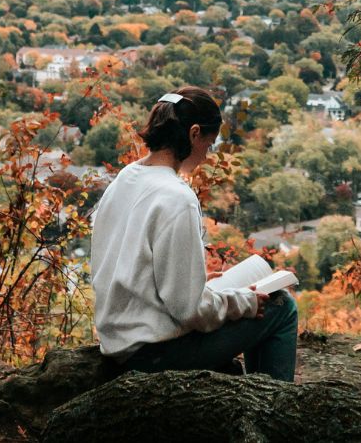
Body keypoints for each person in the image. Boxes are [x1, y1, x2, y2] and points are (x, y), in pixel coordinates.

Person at [90, 86, 298, 381]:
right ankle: (275, 409)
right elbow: (190, 312)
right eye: (209, 145)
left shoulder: (126, 178)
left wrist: (199, 285)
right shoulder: (177, 197)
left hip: (119, 339)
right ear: (194, 134)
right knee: (281, 306)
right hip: (154, 353)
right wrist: (244, 301)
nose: (206, 156)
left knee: (245, 301)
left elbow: (134, 270)